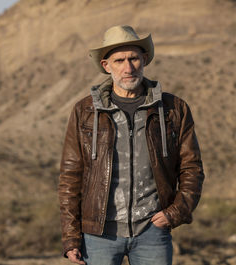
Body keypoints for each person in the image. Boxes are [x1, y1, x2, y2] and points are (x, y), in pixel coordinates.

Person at [58, 25, 205, 265]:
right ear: (106, 66)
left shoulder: (173, 109)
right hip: (98, 234)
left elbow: (192, 169)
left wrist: (176, 212)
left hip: (152, 232)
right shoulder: (85, 111)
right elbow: (70, 178)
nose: (128, 67)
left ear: (144, 59)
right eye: (119, 60)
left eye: (134, 58)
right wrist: (71, 236)